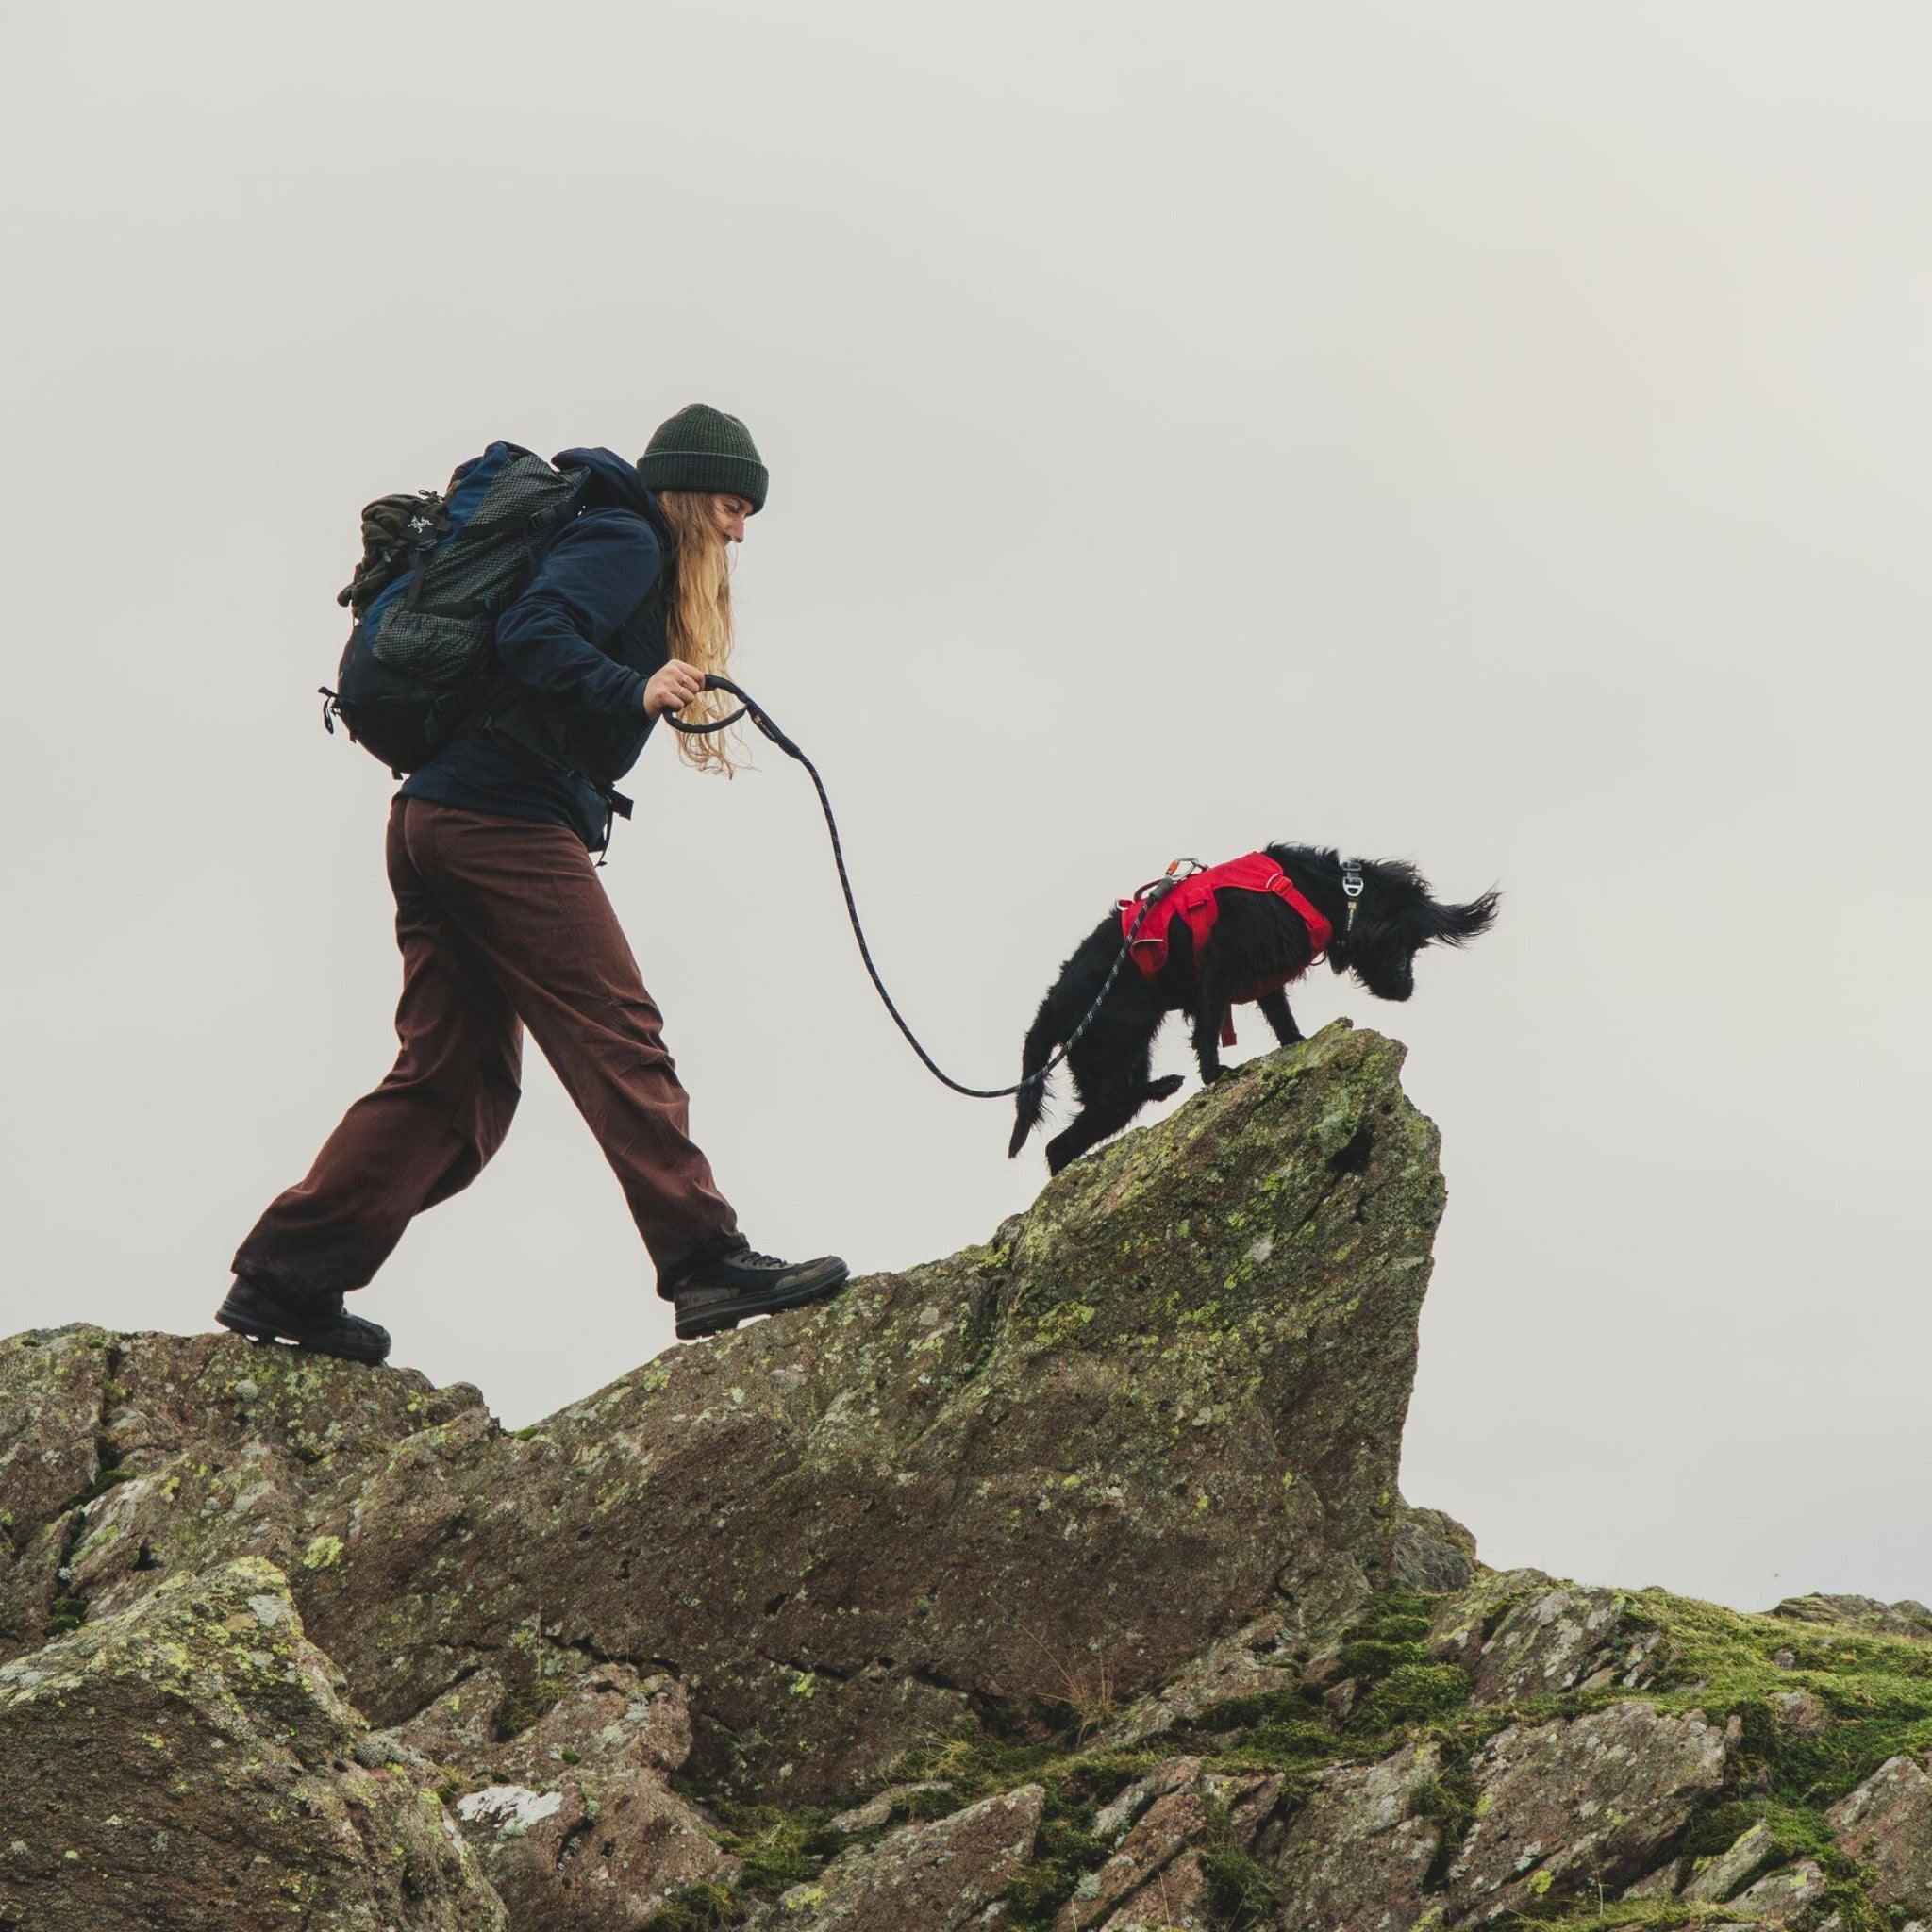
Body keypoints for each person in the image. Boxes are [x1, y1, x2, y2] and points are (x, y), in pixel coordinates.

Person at [218, 406, 848, 1364]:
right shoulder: (627, 536)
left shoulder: (615, 536)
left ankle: (286, 1278)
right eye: (729, 506)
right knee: (615, 1029)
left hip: (434, 818)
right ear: (688, 495)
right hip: (499, 820)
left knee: (454, 1083)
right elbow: (530, 631)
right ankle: (705, 1260)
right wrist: (628, 688)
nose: (738, 531)